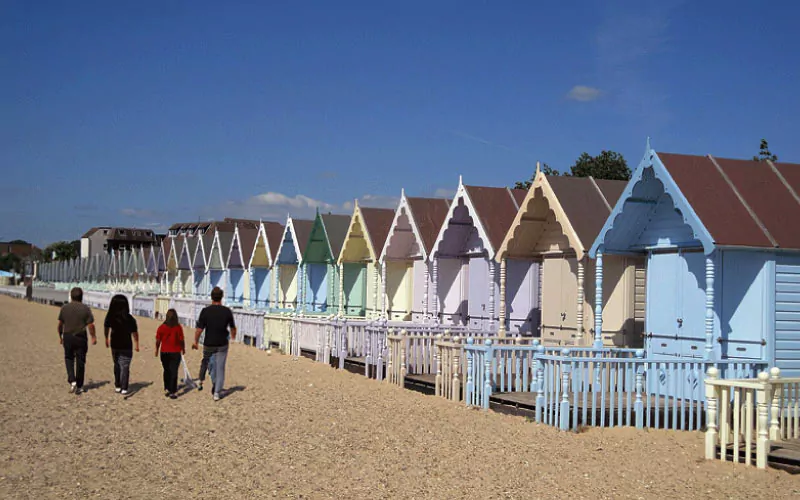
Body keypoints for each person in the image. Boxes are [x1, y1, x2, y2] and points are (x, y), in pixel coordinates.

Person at [192, 286, 236, 402]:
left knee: (211, 366)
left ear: (212, 297)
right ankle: (217, 392)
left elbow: (199, 329)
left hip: (209, 344)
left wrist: (195, 341)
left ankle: (216, 386)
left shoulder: (205, 311)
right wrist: (233, 337)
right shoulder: (226, 311)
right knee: (220, 367)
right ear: (221, 298)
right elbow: (233, 328)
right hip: (222, 344)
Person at [57, 287, 97, 394]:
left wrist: (60, 336)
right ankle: (79, 385)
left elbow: (60, 324)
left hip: (68, 336)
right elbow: (90, 325)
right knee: (81, 361)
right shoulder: (85, 309)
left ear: (71, 296)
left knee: (69, 358)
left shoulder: (65, 308)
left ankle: (72, 380)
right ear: (82, 296)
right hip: (80, 337)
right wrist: (93, 337)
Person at [103, 294, 139, 395]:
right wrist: (136, 344)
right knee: (125, 366)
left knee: (117, 364)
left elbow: (106, 328)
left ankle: (118, 385)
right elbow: (134, 332)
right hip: (127, 345)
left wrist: (106, 338)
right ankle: (124, 387)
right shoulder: (130, 318)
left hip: (115, 344)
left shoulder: (110, 317)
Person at [155, 309, 185, 399]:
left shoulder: (161, 327)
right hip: (175, 352)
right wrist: (183, 349)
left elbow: (158, 340)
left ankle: (167, 388)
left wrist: (156, 350)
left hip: (164, 352)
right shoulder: (178, 327)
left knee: (166, 370)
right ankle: (173, 391)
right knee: (174, 371)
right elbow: (181, 340)